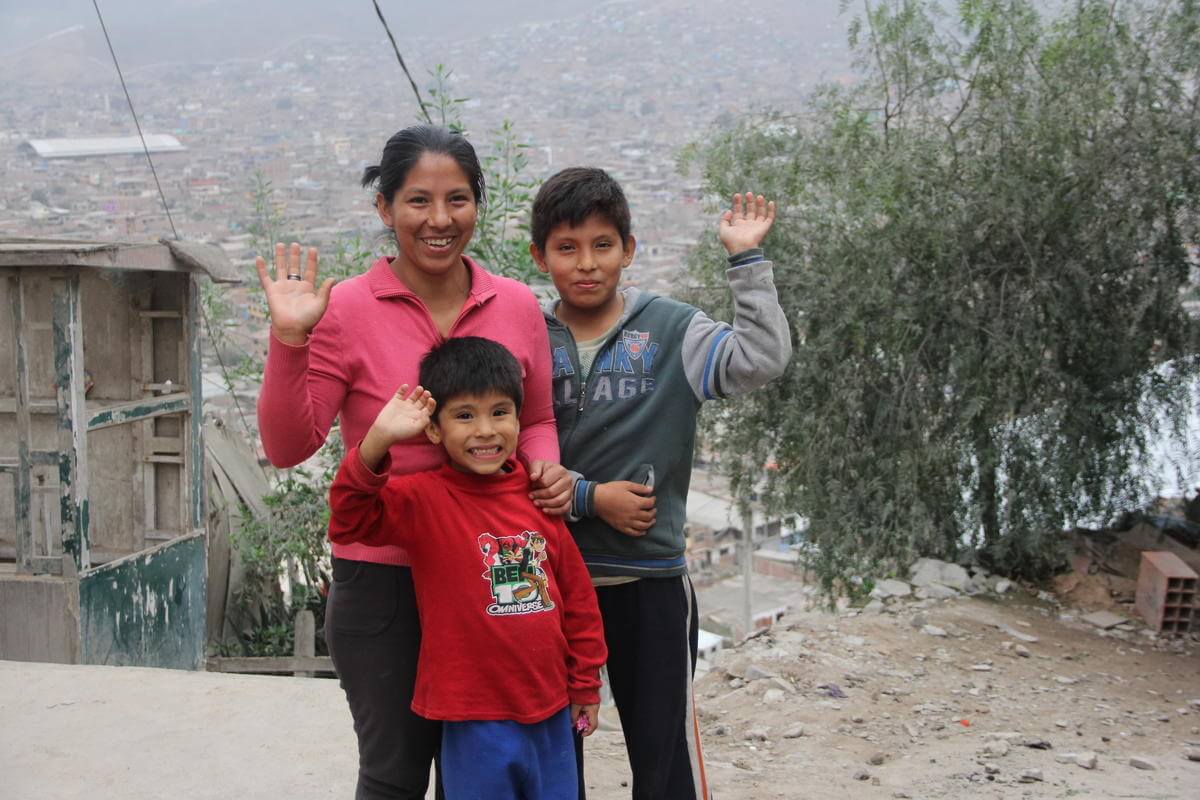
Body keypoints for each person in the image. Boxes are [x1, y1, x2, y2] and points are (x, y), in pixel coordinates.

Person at [255, 125, 572, 799]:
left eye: (457, 199)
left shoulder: (515, 305)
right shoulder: (345, 308)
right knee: (394, 774)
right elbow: (288, 447)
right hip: (386, 581)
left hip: (497, 570)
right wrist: (289, 338)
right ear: (384, 207)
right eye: (418, 201)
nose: (439, 220)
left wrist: (546, 469)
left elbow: (539, 418)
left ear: (477, 204)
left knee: (495, 766)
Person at [529, 167, 793, 800]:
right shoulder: (526, 335)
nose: (586, 263)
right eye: (567, 247)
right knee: (551, 753)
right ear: (539, 256)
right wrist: (591, 498)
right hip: (546, 583)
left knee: (663, 753)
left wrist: (746, 261)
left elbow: (762, 359)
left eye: (602, 244)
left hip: (647, 579)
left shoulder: (674, 330)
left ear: (629, 249)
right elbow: (495, 446)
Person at [327, 337, 607, 800]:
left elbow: (578, 602)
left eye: (500, 412)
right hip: (472, 718)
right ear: (434, 431)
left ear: (519, 418)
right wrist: (377, 441)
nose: (485, 431)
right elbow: (348, 520)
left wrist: (586, 686)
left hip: (552, 712)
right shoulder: (424, 500)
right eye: (464, 416)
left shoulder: (539, 496)